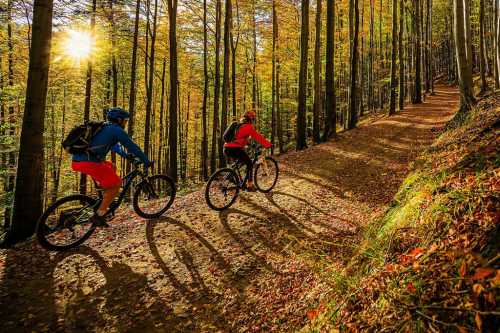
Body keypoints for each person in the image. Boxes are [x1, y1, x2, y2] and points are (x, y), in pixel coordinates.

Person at [72, 107, 151, 227]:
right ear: (119, 120)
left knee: (111, 166)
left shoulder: (104, 127)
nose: (125, 123)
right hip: (89, 162)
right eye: (125, 120)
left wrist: (125, 155)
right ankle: (99, 215)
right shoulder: (117, 130)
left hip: (78, 161)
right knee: (116, 184)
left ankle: (106, 197)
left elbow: (115, 147)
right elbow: (132, 146)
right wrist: (146, 160)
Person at [224, 111, 272, 191]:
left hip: (226, 148)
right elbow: (258, 137)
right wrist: (268, 144)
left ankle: (231, 176)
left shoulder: (238, 125)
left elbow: (240, 138)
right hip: (235, 149)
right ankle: (250, 185)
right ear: (251, 119)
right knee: (249, 163)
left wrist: (250, 145)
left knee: (241, 161)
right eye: (253, 119)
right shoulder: (249, 127)